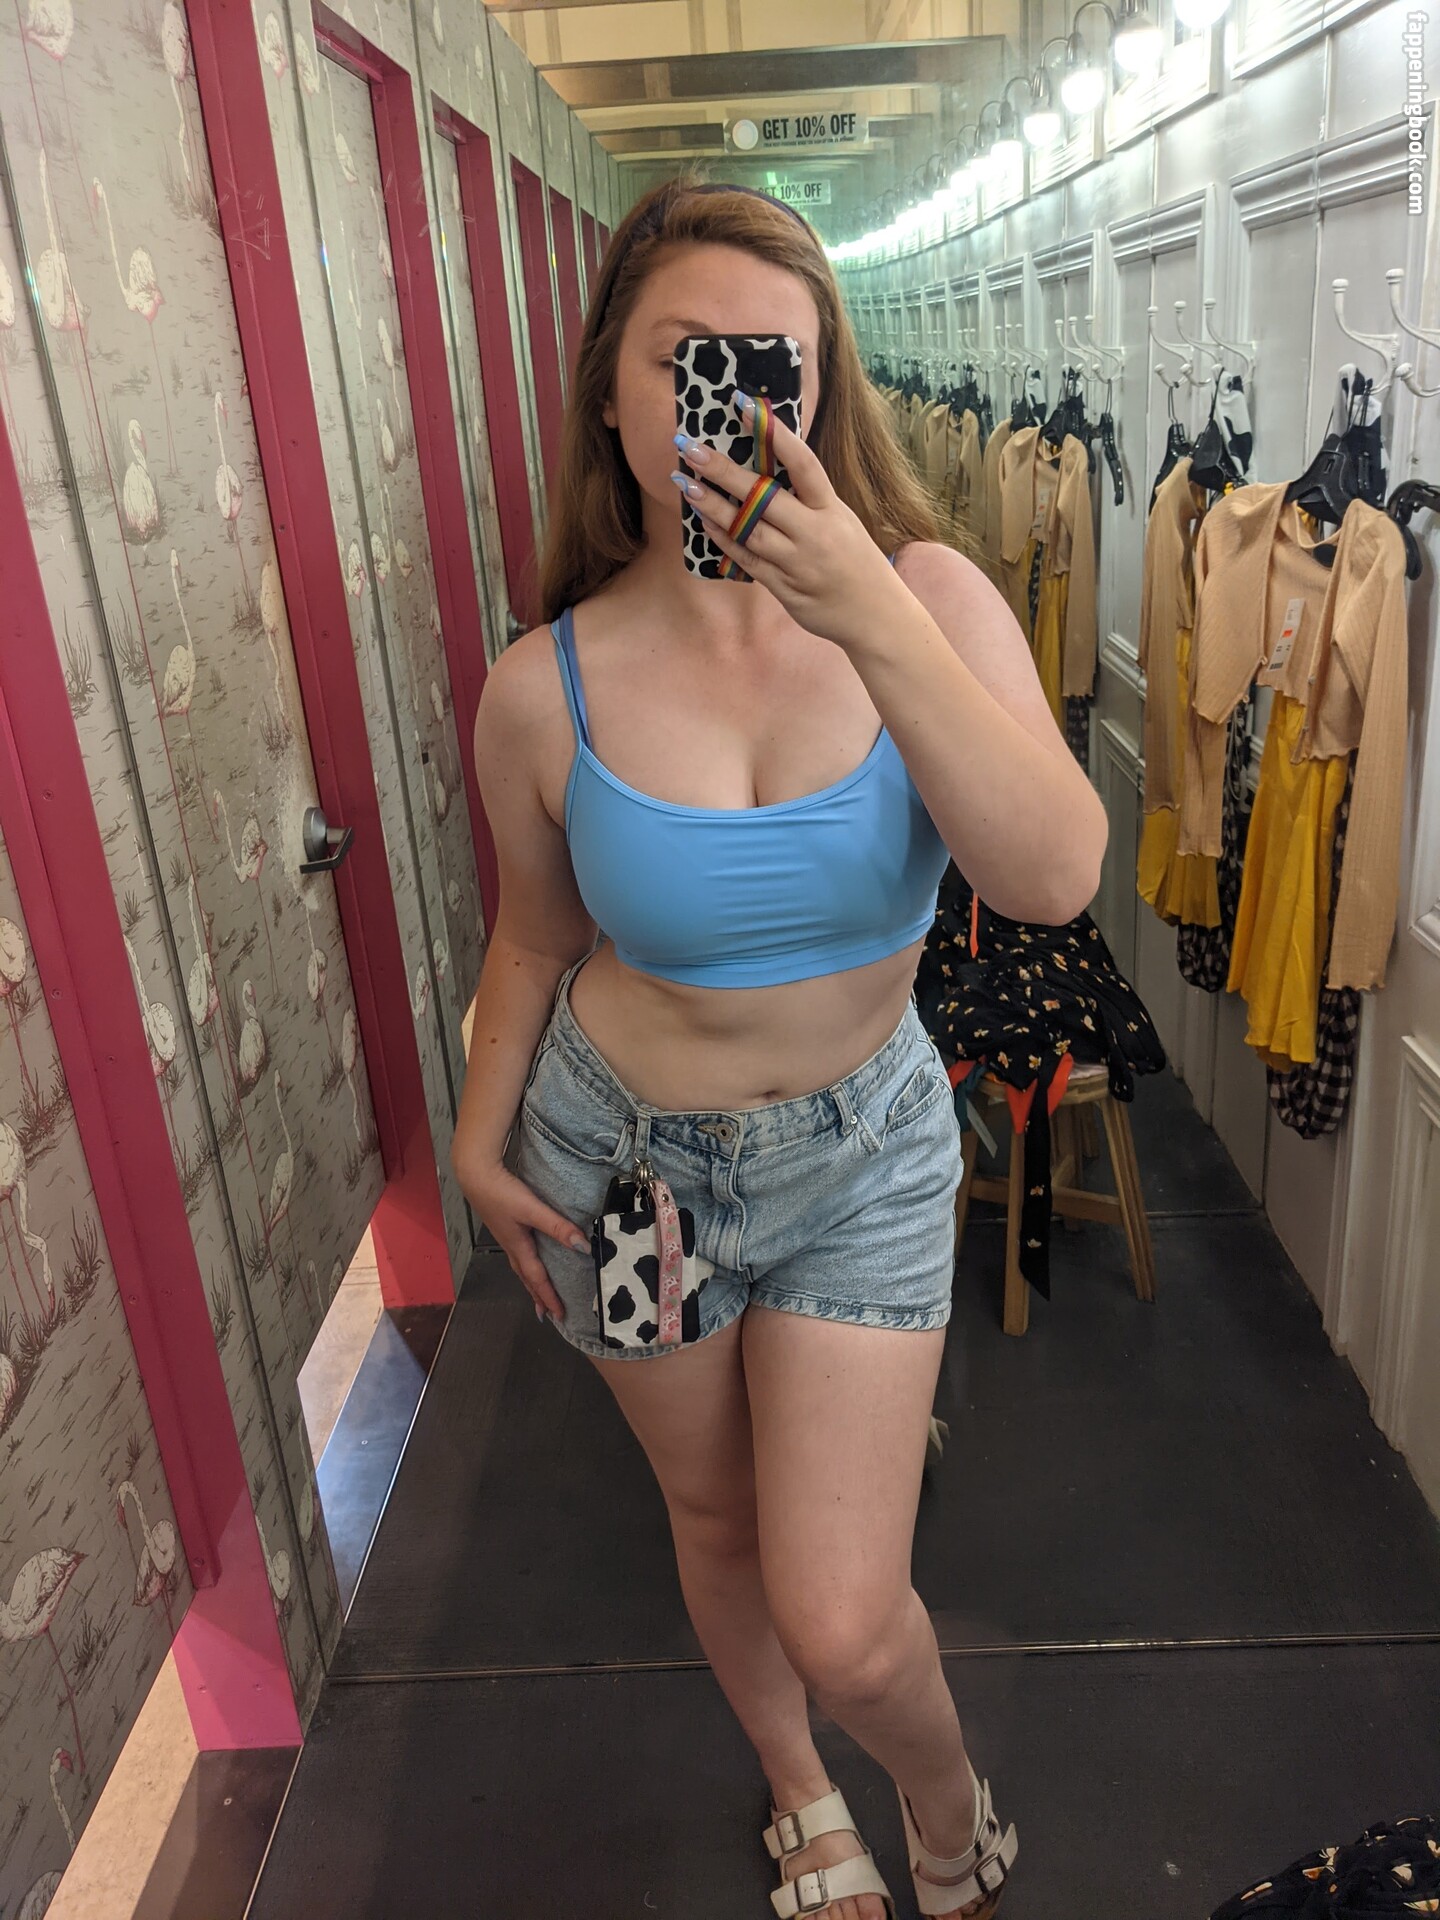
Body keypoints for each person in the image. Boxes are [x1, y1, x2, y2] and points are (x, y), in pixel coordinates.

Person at [451, 176, 1106, 1920]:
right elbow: (534, 935)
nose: (733, 402)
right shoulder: (543, 685)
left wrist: (865, 610)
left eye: (773, 367)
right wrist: (475, 1131)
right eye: (690, 361)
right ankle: (802, 1791)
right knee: (717, 1519)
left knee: (848, 1612)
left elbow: (1052, 874)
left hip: (862, 1161)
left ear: (820, 391)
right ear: (613, 395)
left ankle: (947, 1804)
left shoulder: (927, 596)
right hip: (624, 1176)